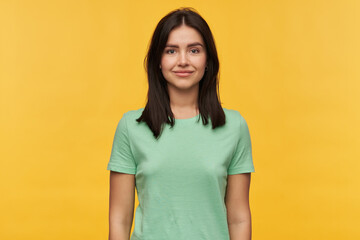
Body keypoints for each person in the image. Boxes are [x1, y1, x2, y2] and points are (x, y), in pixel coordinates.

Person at [107, 7, 255, 240]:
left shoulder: (234, 126)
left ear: (208, 60)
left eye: (194, 50)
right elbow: (119, 219)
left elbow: (238, 218)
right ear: (158, 60)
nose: (183, 61)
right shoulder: (130, 127)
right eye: (171, 51)